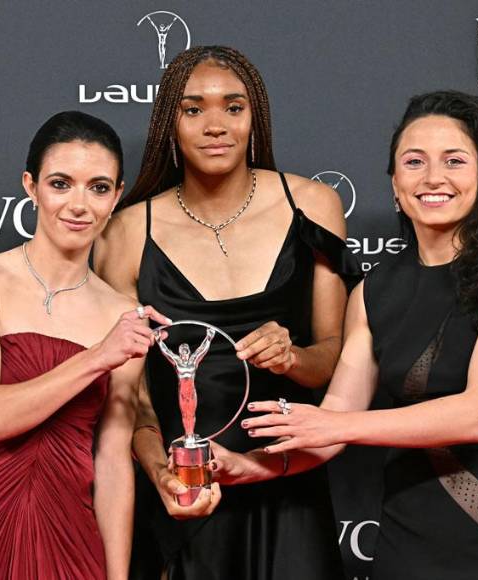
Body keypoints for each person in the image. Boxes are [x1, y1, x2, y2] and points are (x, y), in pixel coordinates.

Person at [231, 90, 478, 579]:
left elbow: (477, 416)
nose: (433, 178)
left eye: (454, 160)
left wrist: (337, 427)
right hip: (405, 542)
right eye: (414, 162)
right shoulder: (372, 291)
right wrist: (248, 465)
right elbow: (331, 428)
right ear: (394, 184)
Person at [95, 45, 362, 580]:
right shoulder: (126, 231)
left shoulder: (313, 205)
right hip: (187, 497)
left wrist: (290, 359)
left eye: (233, 107)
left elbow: (332, 359)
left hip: (288, 487)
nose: (215, 125)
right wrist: (163, 473)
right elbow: (132, 404)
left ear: (254, 118)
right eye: (193, 109)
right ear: (169, 123)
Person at [0, 111, 170, 580]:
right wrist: (98, 357)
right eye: (61, 183)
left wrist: (118, 577)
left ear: (117, 197)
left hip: (68, 540)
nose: (79, 205)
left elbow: (111, 465)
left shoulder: (121, 313)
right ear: (31, 186)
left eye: (99, 187)